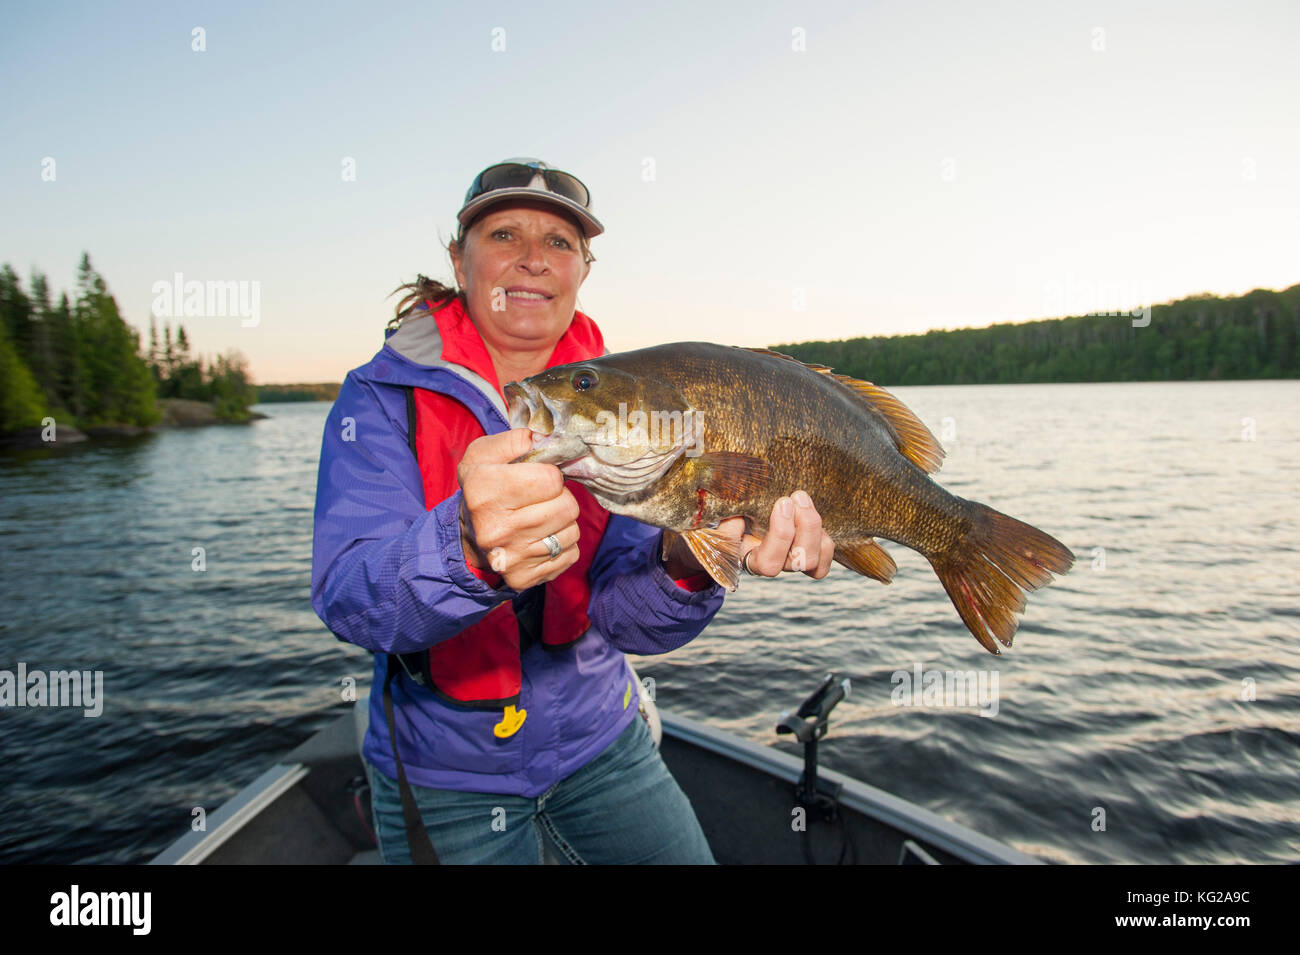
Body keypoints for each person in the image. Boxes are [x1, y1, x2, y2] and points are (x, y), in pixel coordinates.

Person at [310, 157, 836, 865]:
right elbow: (350, 596)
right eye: (504, 234)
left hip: (601, 741)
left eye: (560, 242)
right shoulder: (377, 399)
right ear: (460, 262)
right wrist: (464, 547)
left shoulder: (630, 406)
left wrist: (685, 561)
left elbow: (623, 616)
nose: (533, 259)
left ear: (582, 269)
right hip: (445, 776)